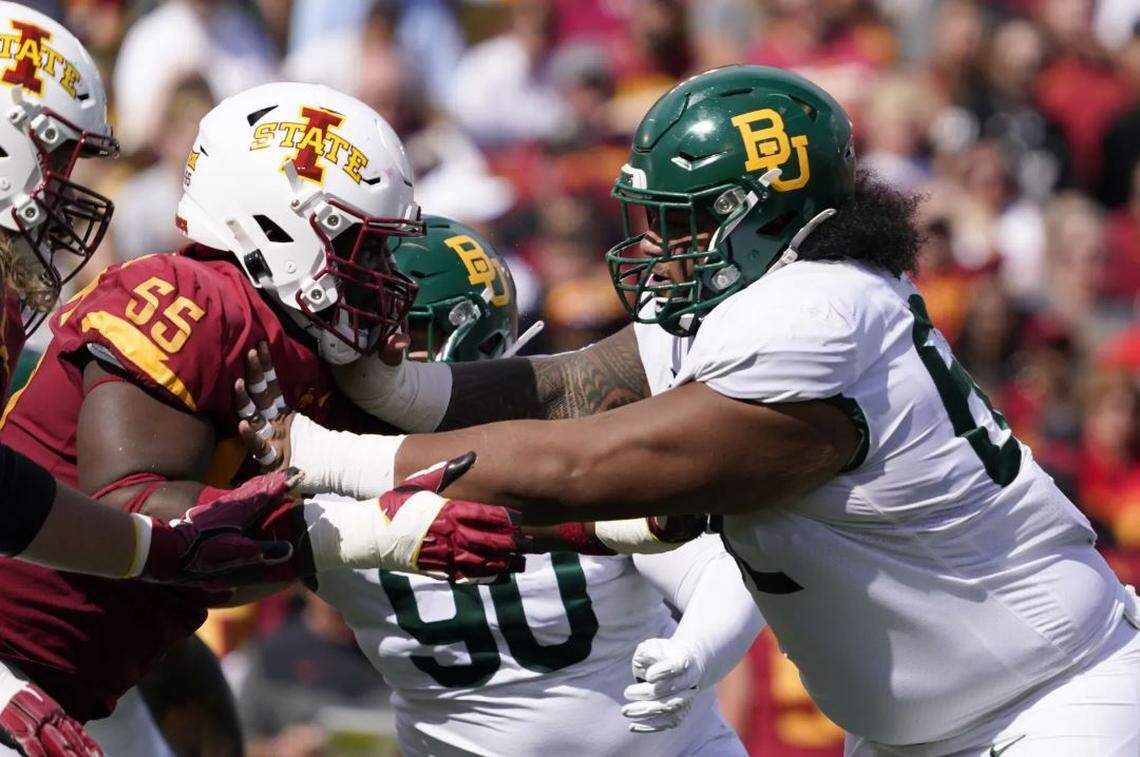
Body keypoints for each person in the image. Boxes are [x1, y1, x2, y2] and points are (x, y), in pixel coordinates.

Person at [244, 65, 1140, 755]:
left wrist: (338, 456)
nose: (651, 249)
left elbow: (584, 465)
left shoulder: (814, 314)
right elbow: (562, 386)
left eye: (679, 222)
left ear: (759, 218)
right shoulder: (764, 299)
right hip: (914, 728)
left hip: (1051, 703)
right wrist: (397, 394)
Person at [0, 77, 522, 755]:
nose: (383, 276)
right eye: (364, 247)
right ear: (282, 226)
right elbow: (136, 513)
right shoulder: (190, 296)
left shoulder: (309, 355)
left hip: (85, 684)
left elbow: (210, 581)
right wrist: (354, 522)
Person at [294, 216, 760, 755]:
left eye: (407, 333)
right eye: (360, 328)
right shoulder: (320, 466)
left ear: (475, 340)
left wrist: (696, 649)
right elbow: (229, 570)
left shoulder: (568, 437)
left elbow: (716, 569)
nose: (375, 350)